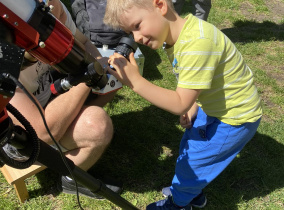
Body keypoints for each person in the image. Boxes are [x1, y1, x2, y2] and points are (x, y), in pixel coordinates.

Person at [104, 0, 262, 209]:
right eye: (130, 32)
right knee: (189, 146)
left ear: (160, 5)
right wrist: (192, 103)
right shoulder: (179, 36)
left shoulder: (198, 42)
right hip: (215, 106)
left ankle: (179, 203)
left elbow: (179, 104)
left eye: (137, 26)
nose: (136, 38)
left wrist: (136, 82)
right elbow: (196, 78)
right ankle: (191, 193)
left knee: (194, 163)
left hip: (235, 118)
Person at [4, 0, 121, 199]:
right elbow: (42, 132)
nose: (51, 7)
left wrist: (102, 70)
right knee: (96, 125)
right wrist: (89, 75)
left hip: (46, 95)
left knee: (112, 83)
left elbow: (82, 42)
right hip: (20, 138)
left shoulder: (49, 6)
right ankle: (72, 179)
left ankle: (77, 138)